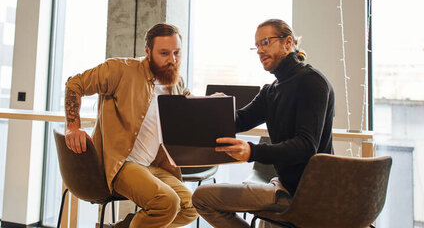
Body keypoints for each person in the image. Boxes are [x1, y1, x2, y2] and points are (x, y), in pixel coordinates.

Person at [192, 19, 335, 228]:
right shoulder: (271, 90)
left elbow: (305, 146)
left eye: (265, 42)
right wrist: (218, 107)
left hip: (306, 194)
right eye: (257, 45)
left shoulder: (311, 82)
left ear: (288, 43)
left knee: (203, 198)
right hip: (284, 185)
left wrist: (252, 152)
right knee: (202, 196)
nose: (259, 50)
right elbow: (240, 121)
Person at [65, 23, 198, 228]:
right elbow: (75, 84)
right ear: (147, 51)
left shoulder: (175, 82)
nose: (172, 60)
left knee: (191, 207)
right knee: (167, 202)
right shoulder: (119, 69)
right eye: (164, 53)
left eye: (176, 53)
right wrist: (73, 127)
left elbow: (189, 102)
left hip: (154, 165)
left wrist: (213, 101)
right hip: (121, 164)